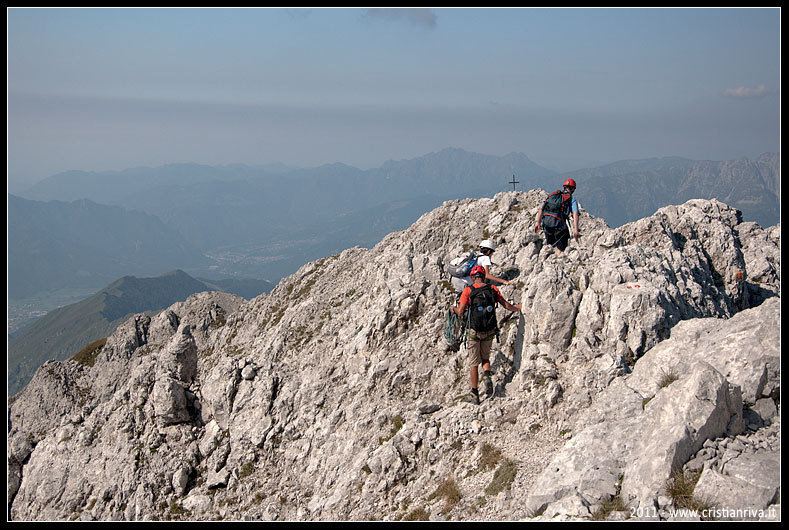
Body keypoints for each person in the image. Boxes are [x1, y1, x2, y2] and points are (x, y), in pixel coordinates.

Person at [453, 265, 522, 405]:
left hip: (474, 331)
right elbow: (506, 305)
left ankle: (474, 393)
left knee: (473, 363)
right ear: (483, 276)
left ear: (472, 277)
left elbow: (460, 311)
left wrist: (452, 309)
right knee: (485, 357)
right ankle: (487, 376)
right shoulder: (492, 289)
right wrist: (519, 307)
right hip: (490, 330)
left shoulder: (468, 290)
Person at [450, 239, 516, 294]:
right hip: (464, 282)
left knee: (460, 301)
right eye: (492, 253)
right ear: (489, 251)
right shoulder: (485, 258)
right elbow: (487, 275)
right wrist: (505, 281)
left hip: (456, 279)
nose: (491, 255)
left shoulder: (476, 256)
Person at [534, 178, 581, 254]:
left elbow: (541, 208)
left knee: (550, 246)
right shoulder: (571, 199)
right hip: (559, 226)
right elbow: (575, 214)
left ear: (564, 187)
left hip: (546, 225)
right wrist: (576, 230)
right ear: (572, 189)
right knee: (561, 247)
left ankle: (547, 261)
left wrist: (538, 223)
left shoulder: (553, 195)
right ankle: (556, 261)